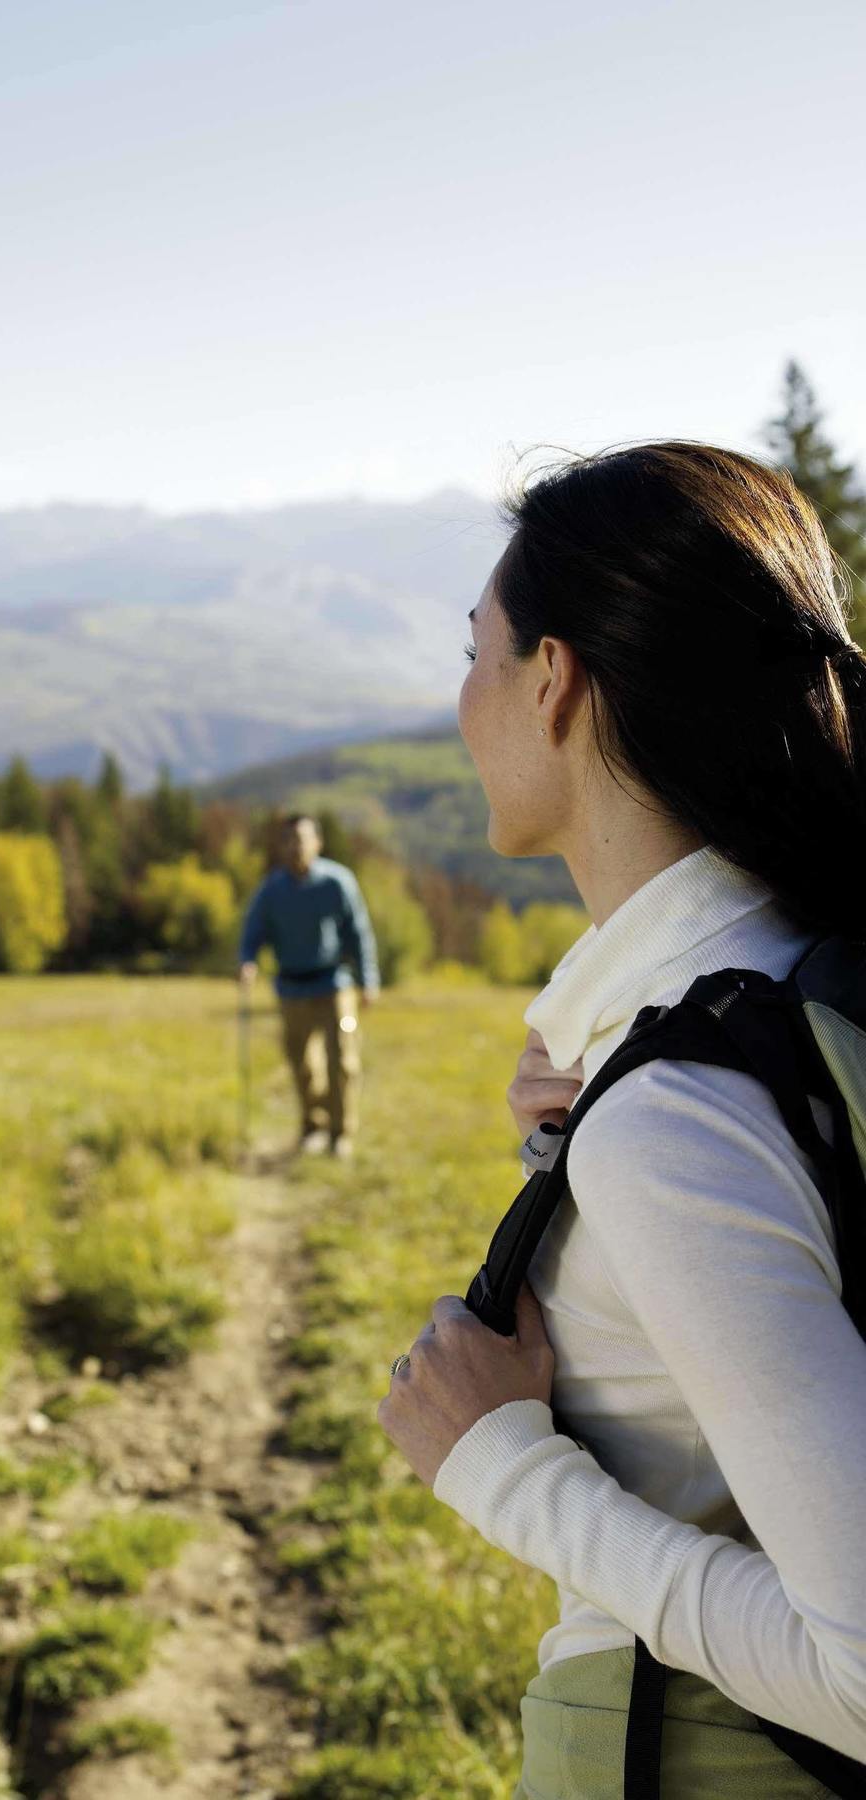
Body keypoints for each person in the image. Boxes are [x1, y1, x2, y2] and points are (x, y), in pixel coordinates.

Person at [376, 443, 866, 1794]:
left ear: (554, 679)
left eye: (475, 651)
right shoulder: (789, 1007)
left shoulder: (687, 1114)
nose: (461, 698)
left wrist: (498, 1468)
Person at [238, 813, 379, 1158]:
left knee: (343, 1059)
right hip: (291, 989)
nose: (294, 847)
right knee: (302, 1064)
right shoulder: (272, 889)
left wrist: (368, 979)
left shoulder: (337, 882)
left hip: (334, 985)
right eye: (287, 841)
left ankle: (340, 1134)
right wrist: (248, 961)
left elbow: (358, 932)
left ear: (317, 843)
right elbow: (253, 931)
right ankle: (313, 1127)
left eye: (301, 840)